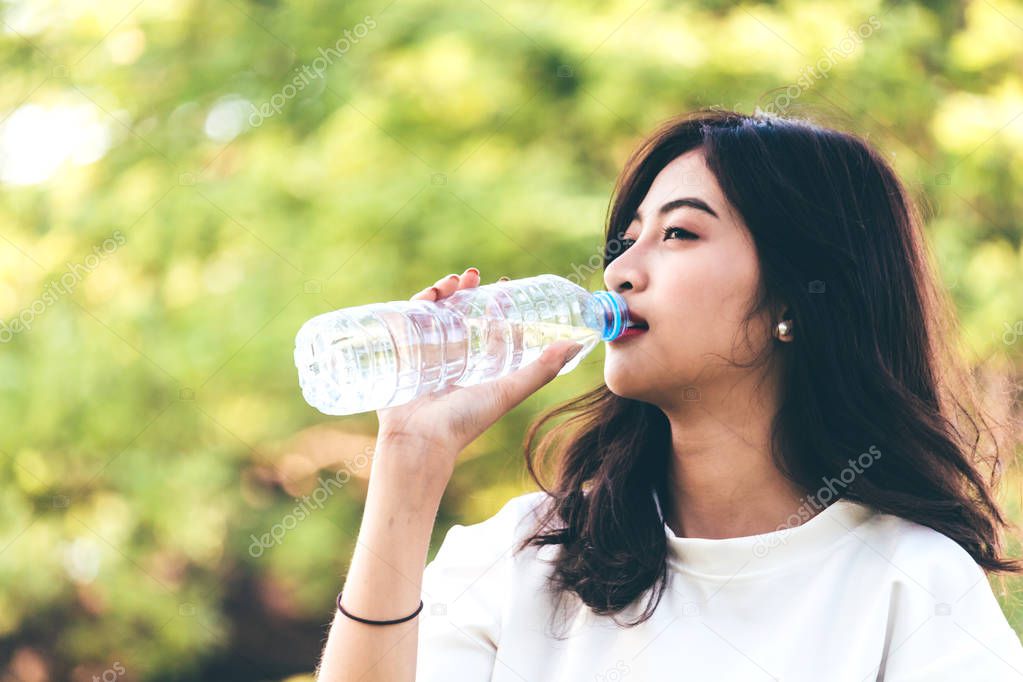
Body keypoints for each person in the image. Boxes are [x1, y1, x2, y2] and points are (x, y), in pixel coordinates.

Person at [314, 109, 1023, 681]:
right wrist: (410, 456)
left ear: (798, 299)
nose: (621, 270)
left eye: (678, 233)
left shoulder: (911, 586)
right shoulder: (519, 557)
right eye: (625, 239)